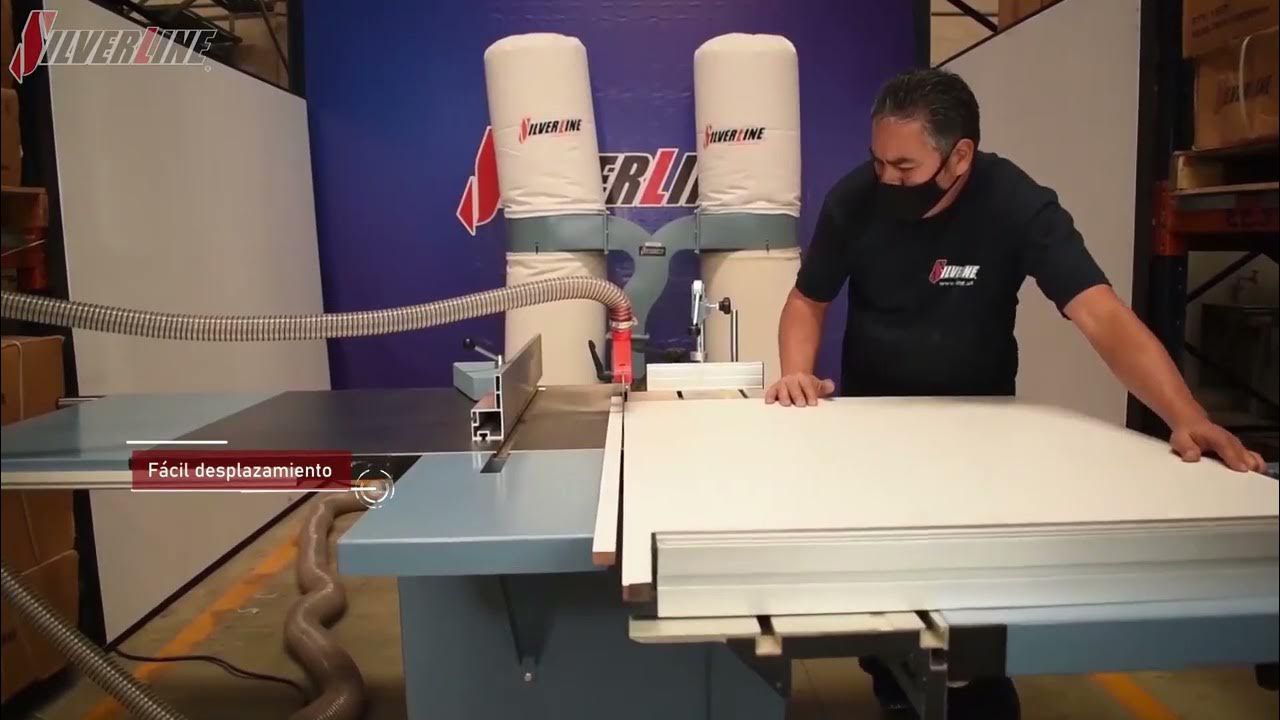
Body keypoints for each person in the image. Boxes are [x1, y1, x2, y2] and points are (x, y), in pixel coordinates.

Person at [764, 68, 1267, 718]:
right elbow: (808, 299)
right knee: (888, 605)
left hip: (982, 431)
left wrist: (1186, 416)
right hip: (874, 427)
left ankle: (979, 696)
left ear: (960, 155)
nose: (886, 178)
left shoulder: (1015, 202)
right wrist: (796, 370)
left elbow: (1100, 314)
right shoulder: (855, 200)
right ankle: (893, 688)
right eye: (878, 160)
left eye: (905, 166)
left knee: (972, 612)